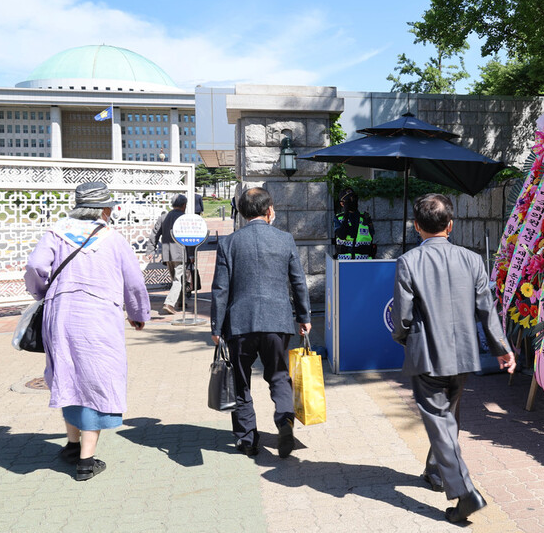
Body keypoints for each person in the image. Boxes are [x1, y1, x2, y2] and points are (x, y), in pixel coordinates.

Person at [392, 193, 516, 523]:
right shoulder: (473, 260)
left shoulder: (408, 261)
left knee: (439, 419)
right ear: (451, 225)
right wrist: (502, 349)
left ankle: (464, 493)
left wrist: (404, 339)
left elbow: (402, 317)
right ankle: (435, 472)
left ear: (416, 226)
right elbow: (487, 311)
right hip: (463, 355)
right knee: (448, 416)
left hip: (427, 354)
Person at [24, 181, 150, 481]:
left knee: (67, 374)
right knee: (96, 379)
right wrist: (138, 314)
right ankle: (86, 461)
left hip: (60, 315)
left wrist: (42, 292)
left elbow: (35, 266)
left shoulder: (55, 232)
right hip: (98, 316)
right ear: (105, 209)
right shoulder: (113, 238)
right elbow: (133, 282)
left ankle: (71, 444)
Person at [210, 187, 312, 459]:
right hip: (277, 320)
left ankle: (247, 440)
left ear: (242, 213)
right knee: (278, 375)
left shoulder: (229, 243)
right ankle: (284, 422)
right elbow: (298, 282)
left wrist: (216, 328)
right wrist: (304, 317)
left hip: (239, 323)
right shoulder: (285, 239)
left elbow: (220, 289)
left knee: (241, 381)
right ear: (269, 211)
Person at [149, 194, 189, 315]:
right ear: (183, 205)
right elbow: (190, 238)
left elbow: (155, 233)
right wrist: (191, 255)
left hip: (167, 253)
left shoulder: (163, 217)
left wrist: (151, 249)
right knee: (178, 279)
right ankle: (169, 303)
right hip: (180, 253)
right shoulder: (184, 218)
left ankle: (181, 301)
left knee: (176, 279)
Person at [333, 187, 376, 259]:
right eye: (349, 199)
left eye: (354, 197)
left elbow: (371, 237)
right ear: (342, 204)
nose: (353, 200)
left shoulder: (365, 217)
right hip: (344, 262)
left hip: (364, 261)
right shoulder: (339, 218)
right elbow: (342, 235)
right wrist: (346, 214)